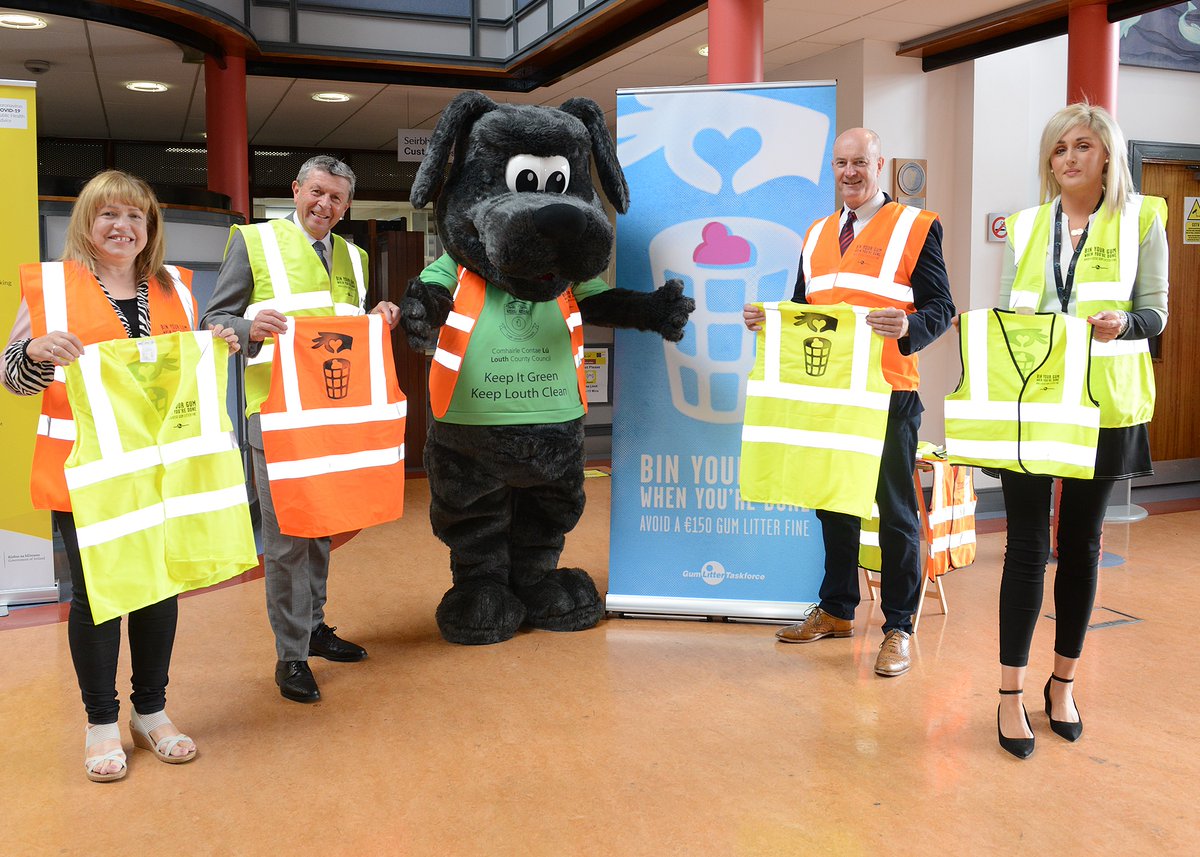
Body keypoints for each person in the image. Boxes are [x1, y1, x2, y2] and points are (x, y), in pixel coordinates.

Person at [2, 170, 241, 782]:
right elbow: (11, 376)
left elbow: (181, 378)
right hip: (85, 474)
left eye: (135, 216)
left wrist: (217, 344)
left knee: (161, 589)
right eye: (108, 214)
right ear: (86, 222)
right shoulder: (51, 288)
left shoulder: (179, 292)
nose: (122, 226)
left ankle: (152, 712)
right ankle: (101, 723)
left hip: (161, 474)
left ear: (149, 228)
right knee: (99, 598)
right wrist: (32, 355)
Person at [742, 128, 955, 677]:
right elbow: (801, 307)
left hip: (888, 393)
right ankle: (837, 608)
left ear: (879, 164)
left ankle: (899, 626)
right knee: (831, 499)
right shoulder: (815, 233)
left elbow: (941, 307)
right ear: (831, 168)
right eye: (840, 163)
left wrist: (908, 325)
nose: (850, 172)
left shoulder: (916, 226)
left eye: (860, 161)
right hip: (828, 395)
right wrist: (771, 319)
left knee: (896, 514)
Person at [991, 104, 1168, 758]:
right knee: (1026, 547)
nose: (1068, 157)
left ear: (1107, 156)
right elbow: (1015, 311)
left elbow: (1158, 312)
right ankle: (1009, 693)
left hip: (1103, 403)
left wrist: (1125, 321)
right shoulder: (1029, 225)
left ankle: (1061, 682)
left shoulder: (1143, 220)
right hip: (1032, 400)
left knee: (1082, 544)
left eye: (1083, 146)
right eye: (1059, 147)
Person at [202, 155, 399, 704]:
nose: (325, 205)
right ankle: (290, 655)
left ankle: (313, 626)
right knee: (287, 540)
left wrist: (377, 316)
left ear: (347, 205)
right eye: (317, 192)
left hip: (333, 417)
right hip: (276, 415)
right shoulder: (253, 242)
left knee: (322, 528)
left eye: (336, 198)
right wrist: (247, 326)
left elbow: (345, 331)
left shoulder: (355, 258)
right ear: (296, 190)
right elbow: (213, 319)